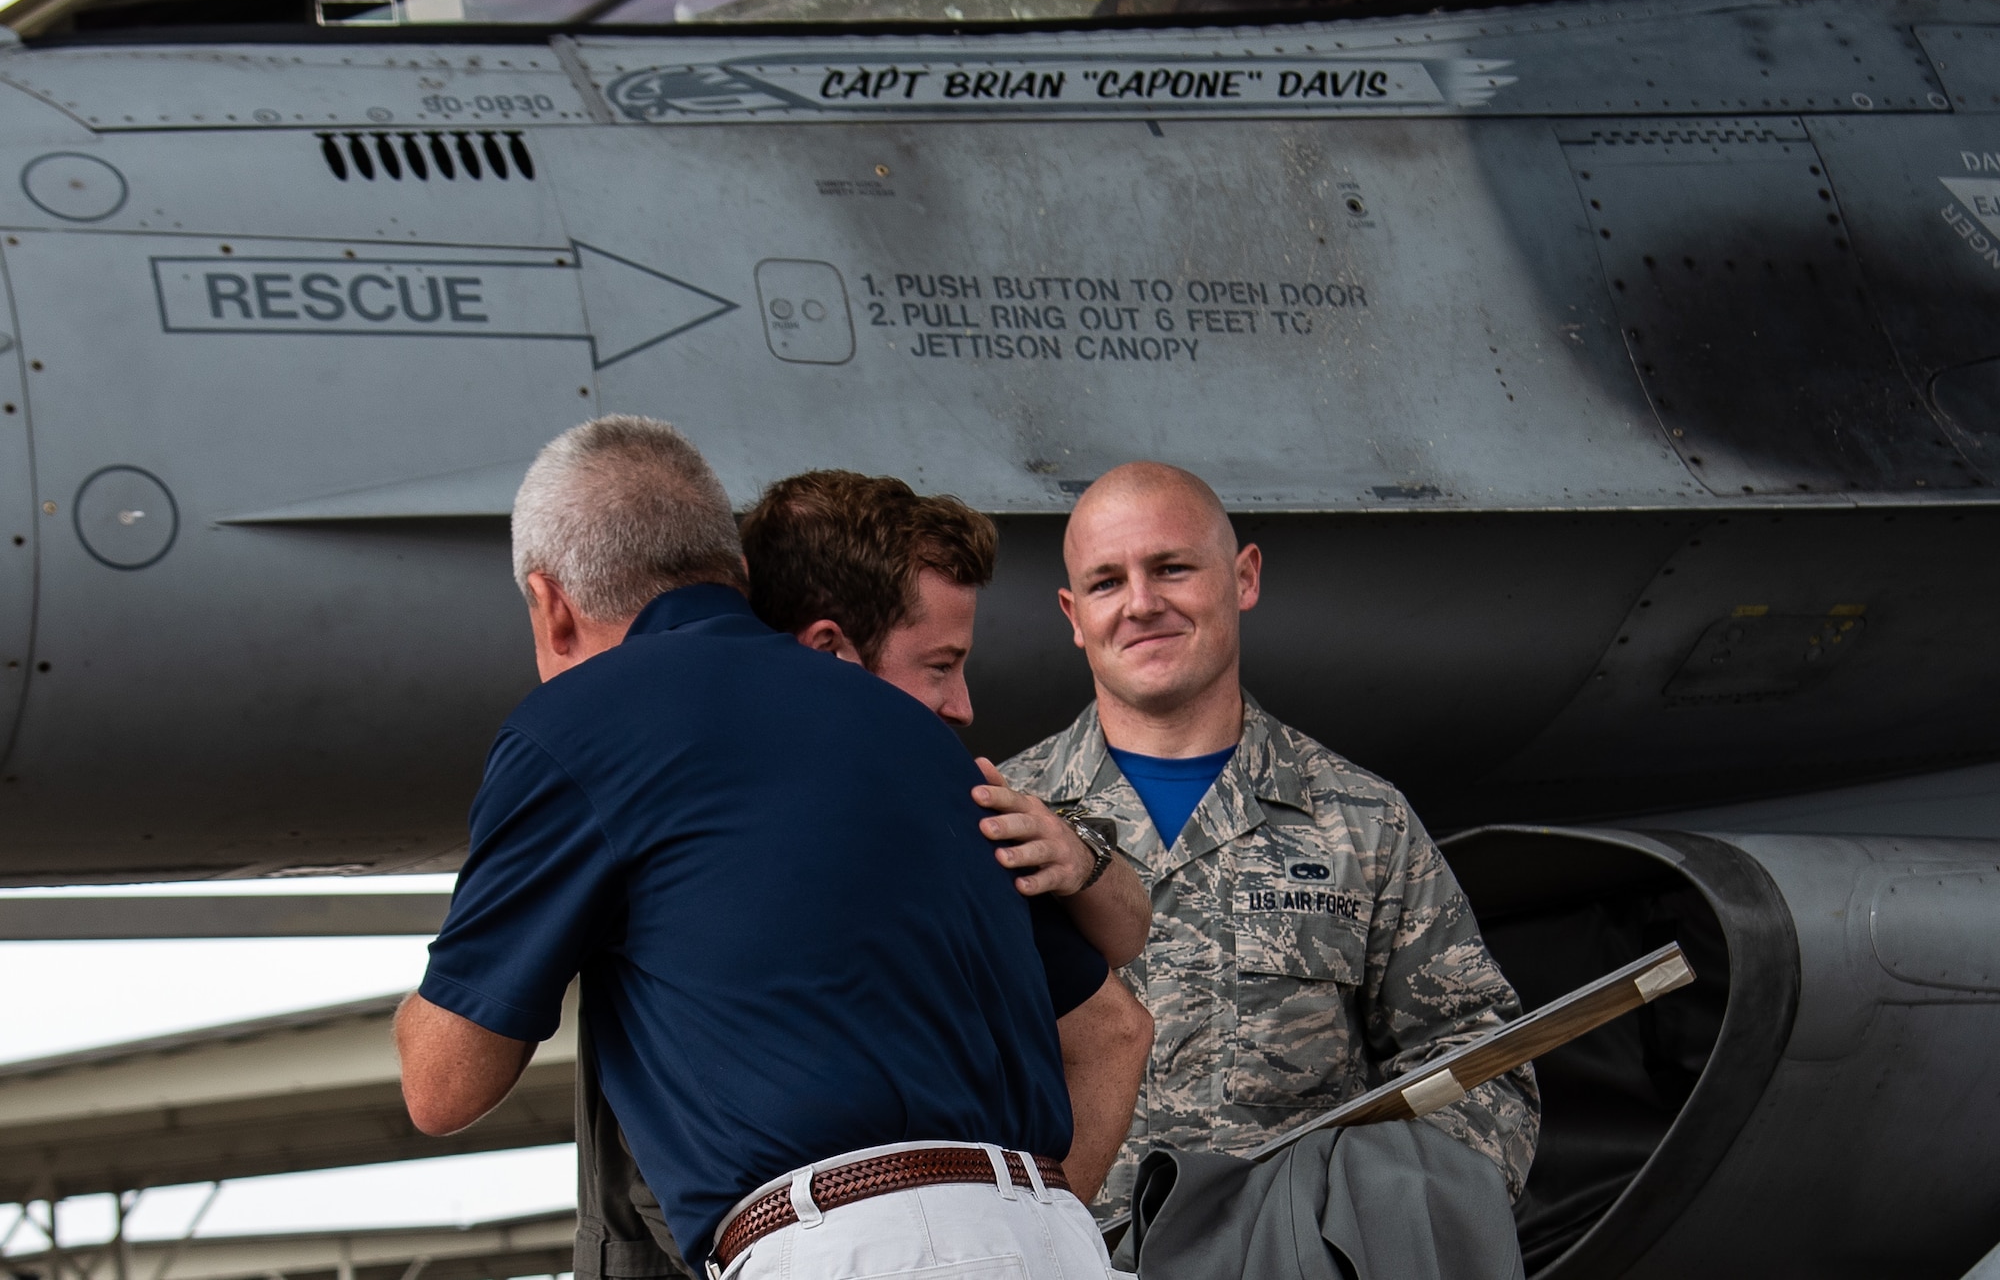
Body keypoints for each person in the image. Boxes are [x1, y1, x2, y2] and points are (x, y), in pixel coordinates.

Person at [395, 418, 1121, 1280]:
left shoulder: (580, 724)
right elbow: (1113, 1030)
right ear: (733, 574)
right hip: (1053, 1237)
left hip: (839, 1248)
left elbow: (443, 1088)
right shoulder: (924, 739)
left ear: (552, 605)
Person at [574, 469, 1156, 1280]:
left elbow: (1116, 999)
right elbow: (1114, 1029)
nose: (961, 703)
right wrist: (1011, 1234)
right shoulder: (913, 813)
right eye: (939, 665)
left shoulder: (649, 796)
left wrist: (1083, 853)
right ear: (828, 651)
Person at [1002, 461, 1541, 1219]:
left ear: (1244, 576)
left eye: (1171, 568)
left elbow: (1478, 1061)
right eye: (1106, 582)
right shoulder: (1005, 820)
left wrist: (1368, 1222)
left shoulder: (1362, 819)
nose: (1141, 603)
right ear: (1072, 613)